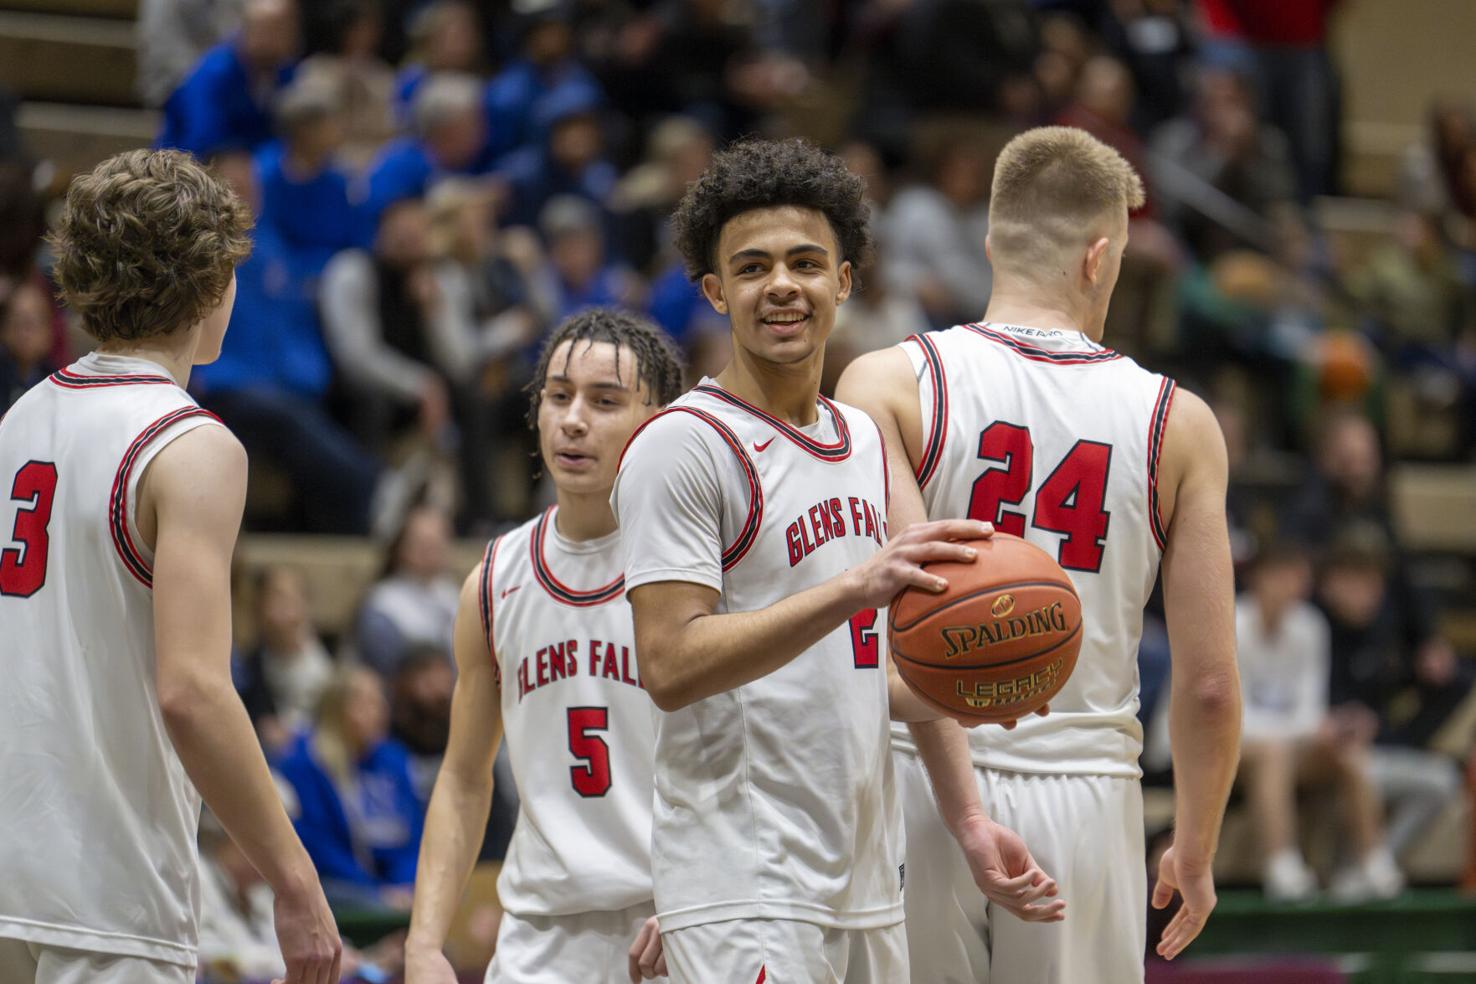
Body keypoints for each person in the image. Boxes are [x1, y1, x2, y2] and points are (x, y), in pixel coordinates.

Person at [612, 138, 1063, 984]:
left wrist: (970, 701)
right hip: (748, 878)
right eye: (752, 268)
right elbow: (670, 664)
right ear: (715, 293)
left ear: (845, 281)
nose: (782, 285)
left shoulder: (858, 436)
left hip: (866, 877)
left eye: (806, 263)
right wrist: (855, 587)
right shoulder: (682, 445)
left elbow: (857, 674)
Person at [838, 126, 1242, 982]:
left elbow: (876, 613)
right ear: (1100, 258)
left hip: (914, 771)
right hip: (1083, 789)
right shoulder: (1178, 424)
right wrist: (1196, 846)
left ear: (992, 244)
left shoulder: (886, 383)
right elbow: (1209, 686)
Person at [0, 149, 339, 982]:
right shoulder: (190, 445)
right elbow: (192, 691)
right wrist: (294, 879)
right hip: (109, 892)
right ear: (210, 282)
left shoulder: (20, 419)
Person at [405, 308, 686, 984]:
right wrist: (424, 942)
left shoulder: (699, 570)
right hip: (539, 938)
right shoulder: (493, 582)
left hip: (672, 923)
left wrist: (710, 892)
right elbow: (464, 777)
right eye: (559, 396)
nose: (574, 420)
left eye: (605, 401)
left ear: (658, 423)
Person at [274, 664, 425, 910]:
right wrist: (376, 891)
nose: (378, 710)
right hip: (338, 884)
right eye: (364, 702)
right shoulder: (305, 763)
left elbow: (412, 834)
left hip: (396, 888)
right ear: (336, 708)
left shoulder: (394, 760)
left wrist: (404, 883)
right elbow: (316, 844)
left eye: (380, 701)